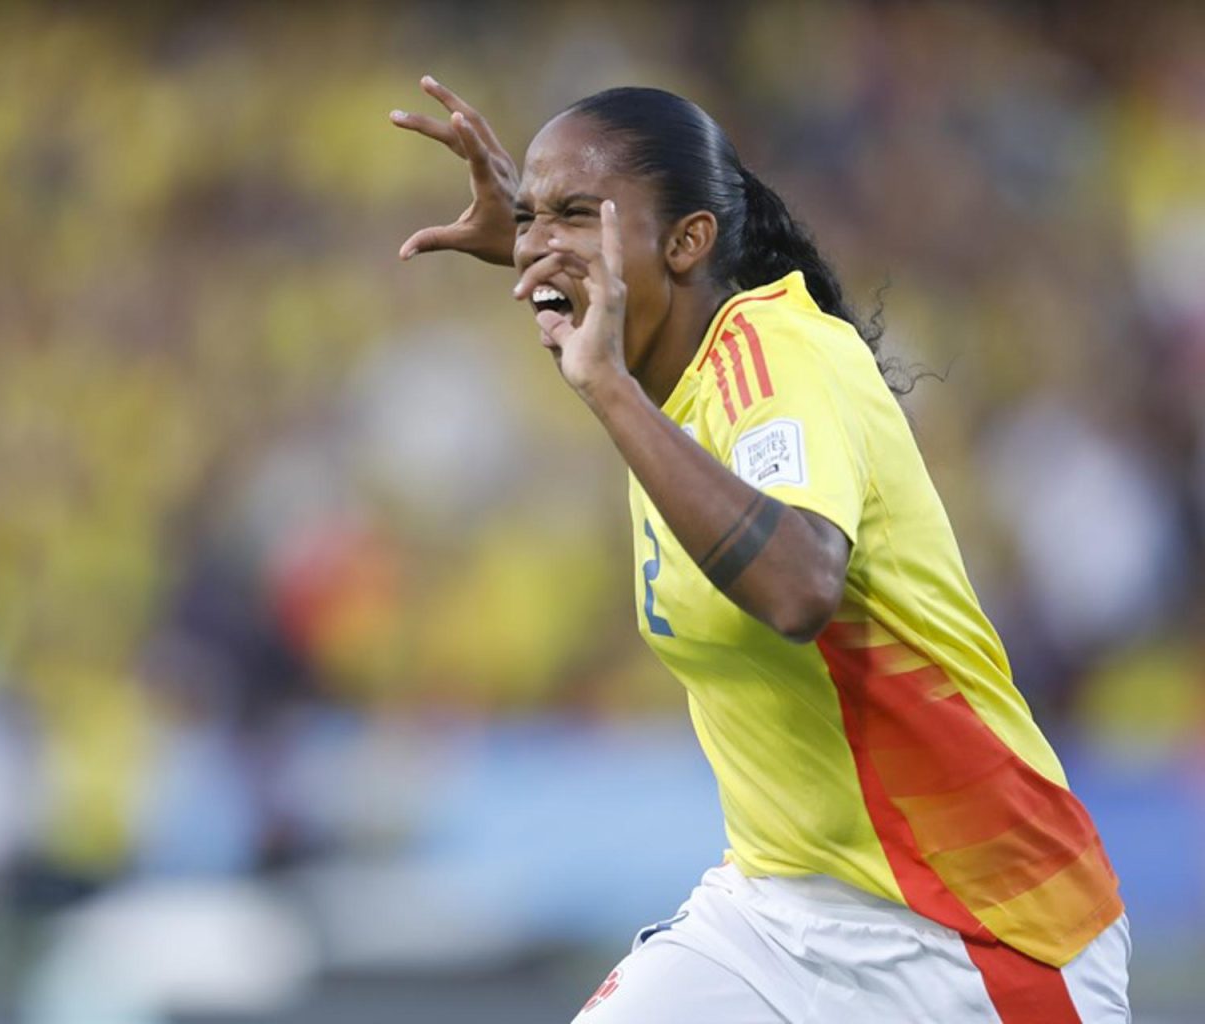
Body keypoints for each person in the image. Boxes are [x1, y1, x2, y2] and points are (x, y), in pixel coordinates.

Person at [390, 77, 1130, 1023]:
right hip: (779, 914)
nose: (540, 239)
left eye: (578, 212)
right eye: (534, 216)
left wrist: (609, 387)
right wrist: (549, 256)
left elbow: (798, 587)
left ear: (688, 241)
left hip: (980, 935)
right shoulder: (673, 384)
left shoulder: (776, 354)